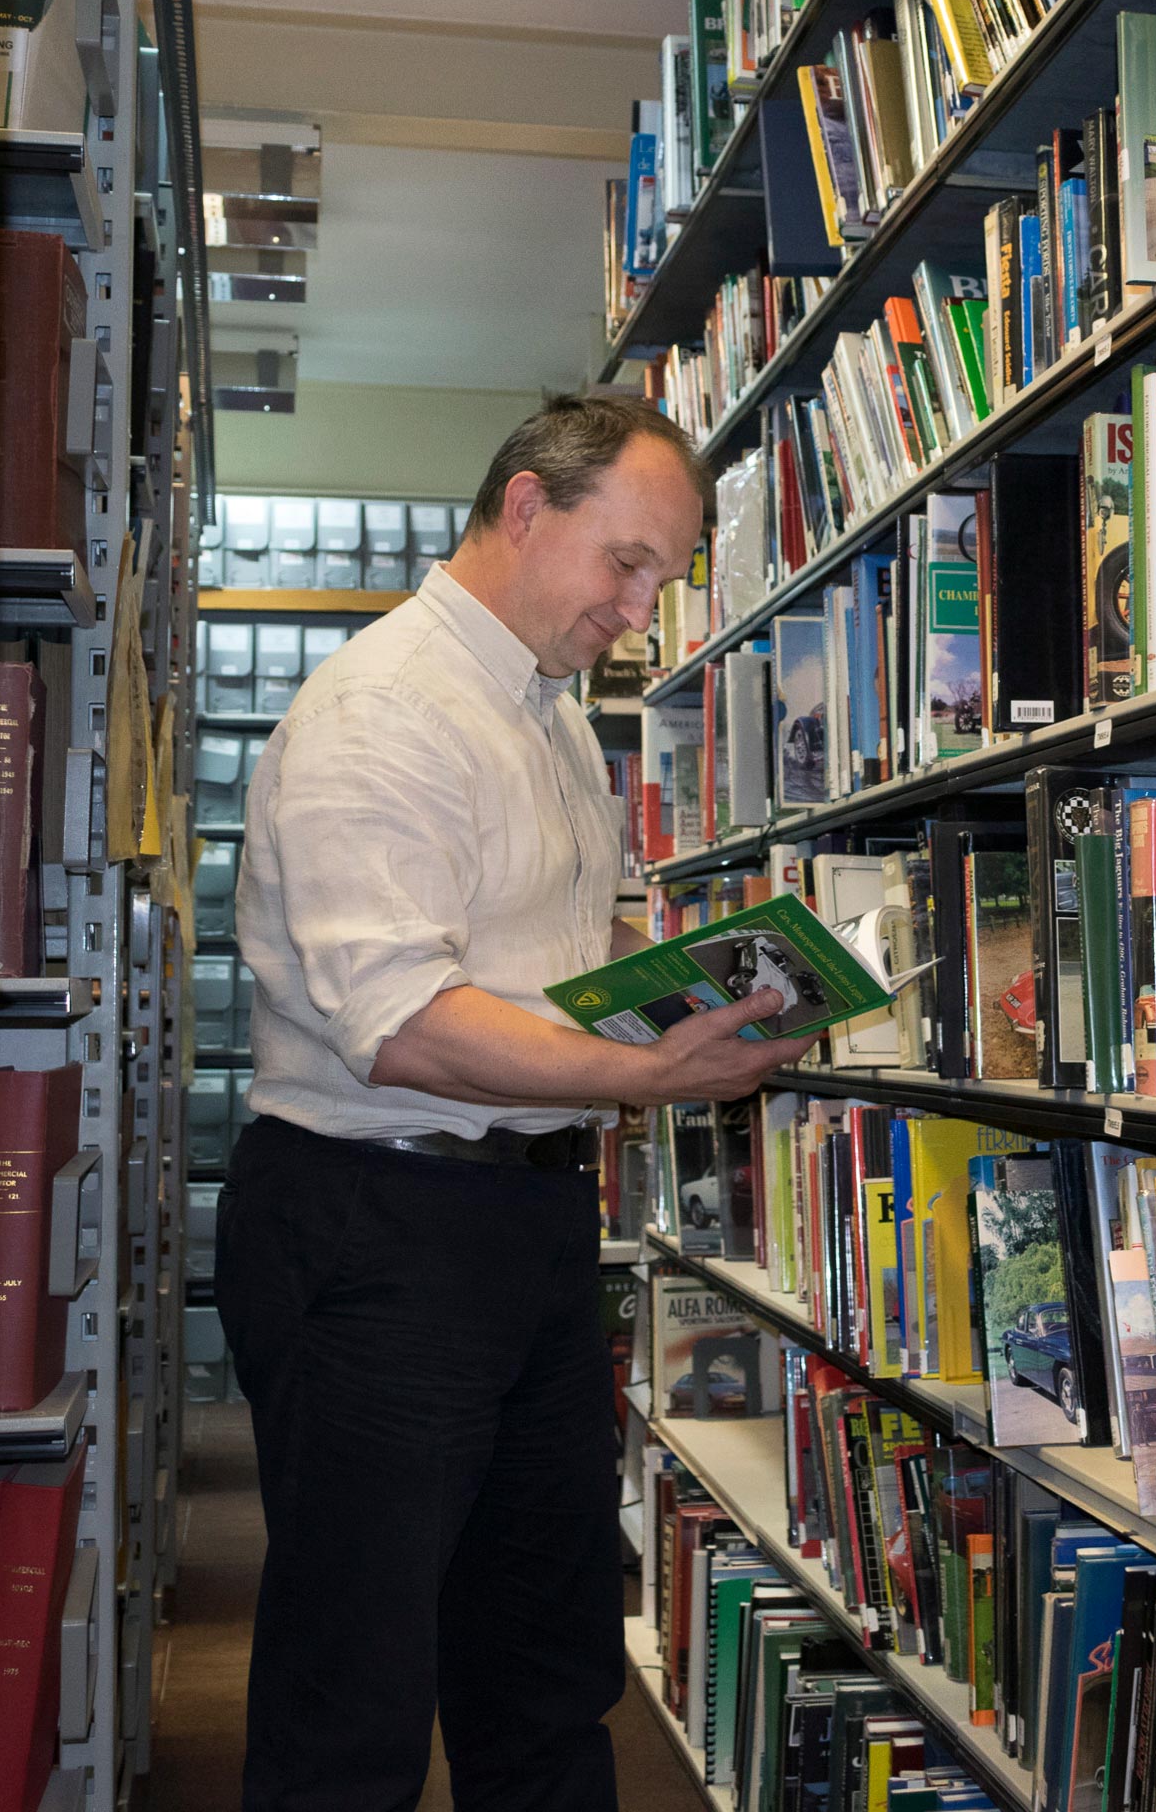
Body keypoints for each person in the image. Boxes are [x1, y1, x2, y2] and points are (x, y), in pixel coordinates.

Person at [219, 393, 811, 1812]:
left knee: (545, 1665)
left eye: (664, 579)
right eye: (627, 562)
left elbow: (547, 959)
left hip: (526, 1225)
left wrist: (701, 989)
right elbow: (405, 1023)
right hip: (378, 1229)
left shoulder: (547, 719)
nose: (640, 609)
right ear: (527, 507)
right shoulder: (384, 710)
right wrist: (646, 1074)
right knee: (351, 1695)